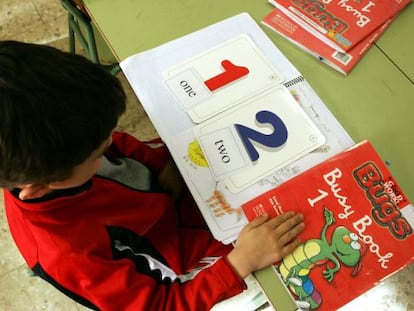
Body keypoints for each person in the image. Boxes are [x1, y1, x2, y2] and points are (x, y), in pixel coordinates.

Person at [0, 40, 305, 311]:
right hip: (191, 268)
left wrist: (168, 169)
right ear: (38, 188)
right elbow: (162, 304)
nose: (111, 143)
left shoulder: (60, 147)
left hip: (182, 203)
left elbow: (126, 148)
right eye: (99, 152)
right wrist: (241, 264)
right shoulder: (68, 256)